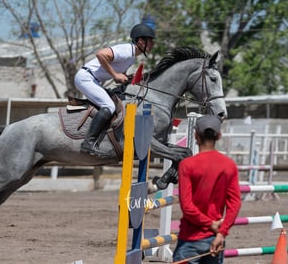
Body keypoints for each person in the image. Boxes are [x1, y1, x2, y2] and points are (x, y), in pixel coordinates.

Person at [74, 23, 155, 156]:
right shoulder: (126, 50)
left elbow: (120, 77)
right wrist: (115, 75)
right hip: (86, 78)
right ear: (141, 41)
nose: (153, 44)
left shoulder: (131, 57)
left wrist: (129, 77)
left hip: (93, 80)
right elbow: (100, 54)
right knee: (109, 106)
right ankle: (88, 143)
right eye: (150, 41)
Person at [172, 115, 241, 264]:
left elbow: (188, 207)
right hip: (215, 239)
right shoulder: (229, 165)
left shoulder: (187, 165)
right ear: (219, 136)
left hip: (190, 238)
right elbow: (234, 204)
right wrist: (221, 232)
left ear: (196, 136)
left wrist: (210, 224)